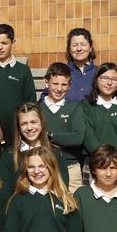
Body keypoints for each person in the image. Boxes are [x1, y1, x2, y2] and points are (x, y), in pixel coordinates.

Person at [0, 23, 36, 136]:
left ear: (13, 42)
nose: (0, 47)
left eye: (4, 43)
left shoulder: (23, 70)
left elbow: (30, 102)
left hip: (17, 130)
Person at [42, 63, 86, 191]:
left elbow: (77, 138)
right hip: (44, 166)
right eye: (55, 84)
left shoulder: (75, 108)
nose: (59, 89)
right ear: (46, 82)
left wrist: (50, 136)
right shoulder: (38, 109)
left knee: (73, 206)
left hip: (70, 166)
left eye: (64, 84)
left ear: (70, 85)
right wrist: (65, 138)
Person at [0, 102, 56, 192]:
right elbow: (5, 190)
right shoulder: (9, 156)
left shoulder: (55, 153)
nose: (29, 127)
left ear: (41, 123)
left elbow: (61, 186)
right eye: (24, 124)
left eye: (33, 122)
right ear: (18, 127)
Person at [82, 63, 117, 157]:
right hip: (94, 160)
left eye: (115, 79)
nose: (109, 83)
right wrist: (102, 156)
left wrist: (115, 156)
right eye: (104, 78)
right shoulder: (85, 105)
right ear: (96, 79)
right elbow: (88, 137)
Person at [65, 28, 98, 103]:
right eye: (74, 45)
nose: (79, 49)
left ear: (90, 48)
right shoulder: (61, 72)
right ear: (69, 49)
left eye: (83, 45)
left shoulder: (99, 72)